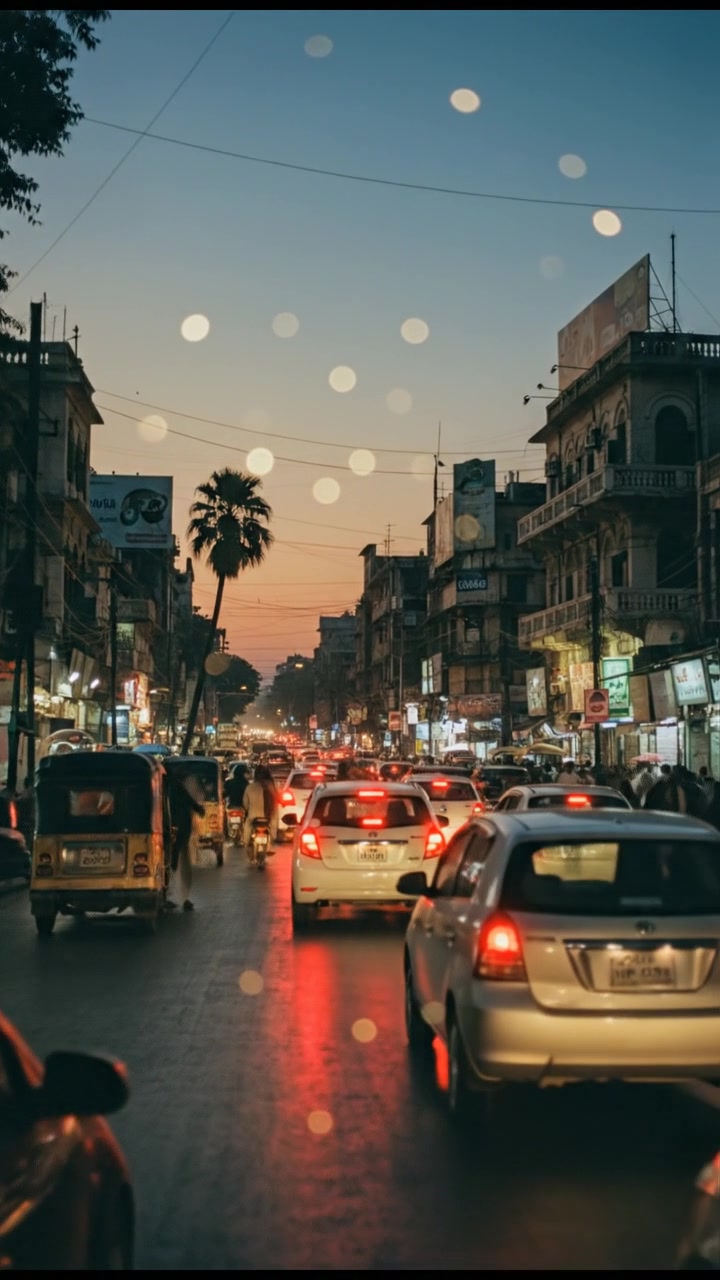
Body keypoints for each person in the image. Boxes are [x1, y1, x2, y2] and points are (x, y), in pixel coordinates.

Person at [167, 772, 205, 911]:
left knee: (174, 863)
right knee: (178, 863)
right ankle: (180, 897)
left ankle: (175, 897)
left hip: (174, 833)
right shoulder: (176, 788)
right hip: (180, 832)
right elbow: (192, 803)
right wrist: (199, 809)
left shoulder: (168, 788)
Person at [242, 764, 279, 851]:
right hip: (268, 818)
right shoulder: (271, 786)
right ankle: (272, 839)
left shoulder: (250, 787)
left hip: (254, 817)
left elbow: (245, 803)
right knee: (274, 819)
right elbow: (276, 800)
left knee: (248, 825)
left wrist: (248, 810)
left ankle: (246, 843)